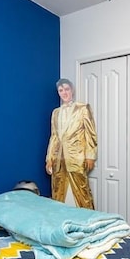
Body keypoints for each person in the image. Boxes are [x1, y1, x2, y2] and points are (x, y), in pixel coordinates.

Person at [45, 78, 97, 209]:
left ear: (72, 90)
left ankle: (87, 221)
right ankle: (61, 221)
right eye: (61, 90)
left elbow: (90, 133)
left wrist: (90, 156)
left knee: (82, 192)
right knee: (58, 192)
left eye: (66, 89)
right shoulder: (55, 112)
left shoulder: (83, 108)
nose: (64, 93)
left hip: (77, 157)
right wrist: (49, 159)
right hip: (59, 158)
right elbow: (54, 136)